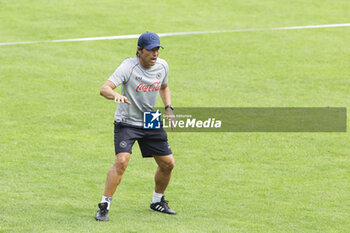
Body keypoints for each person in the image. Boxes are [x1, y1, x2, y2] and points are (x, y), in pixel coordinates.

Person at [95, 32, 177, 221]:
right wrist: (114, 95)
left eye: (157, 49)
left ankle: (157, 201)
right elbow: (104, 88)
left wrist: (168, 107)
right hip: (127, 121)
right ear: (139, 50)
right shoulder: (128, 67)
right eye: (150, 50)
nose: (155, 54)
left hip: (150, 119)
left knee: (168, 164)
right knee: (122, 161)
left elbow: (164, 87)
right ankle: (104, 205)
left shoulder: (162, 66)